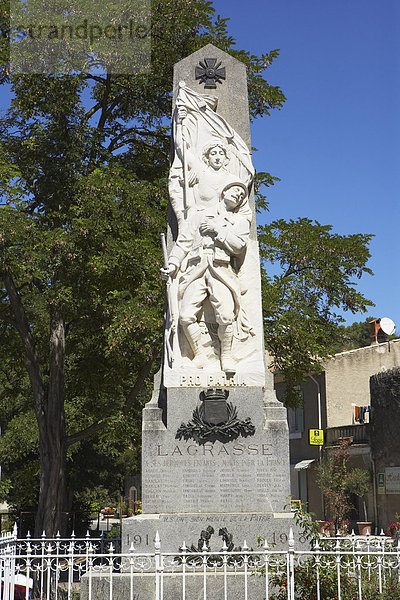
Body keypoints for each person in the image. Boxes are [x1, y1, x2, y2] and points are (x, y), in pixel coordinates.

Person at [162, 181, 253, 375]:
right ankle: (199, 354)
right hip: (196, 269)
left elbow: (239, 246)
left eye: (242, 195)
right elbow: (183, 242)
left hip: (221, 270)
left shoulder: (239, 221)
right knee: (185, 316)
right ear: (224, 191)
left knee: (226, 316)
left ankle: (226, 356)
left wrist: (217, 229)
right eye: (235, 190)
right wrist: (173, 264)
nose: (238, 195)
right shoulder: (198, 215)